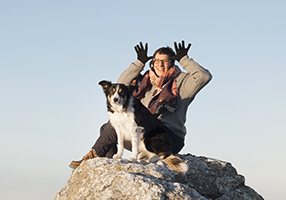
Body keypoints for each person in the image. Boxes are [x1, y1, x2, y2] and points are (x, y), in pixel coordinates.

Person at [70, 41, 212, 168]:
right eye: (156, 61)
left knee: (112, 127)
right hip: (144, 134)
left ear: (172, 63)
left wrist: (184, 59)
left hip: (168, 137)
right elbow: (120, 86)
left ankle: (93, 155)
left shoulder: (182, 83)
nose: (160, 65)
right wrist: (139, 63)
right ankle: (109, 164)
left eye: (165, 61)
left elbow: (204, 76)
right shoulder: (145, 82)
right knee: (108, 127)